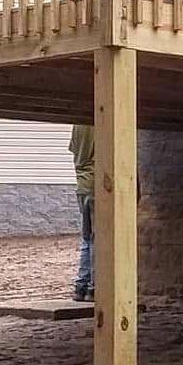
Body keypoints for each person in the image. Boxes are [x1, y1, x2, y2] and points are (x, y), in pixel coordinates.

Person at [70, 123, 96, 301]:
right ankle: (95, 287)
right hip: (99, 185)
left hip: (82, 186)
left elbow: (74, 149)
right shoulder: (105, 117)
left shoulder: (77, 125)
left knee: (87, 239)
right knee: (98, 239)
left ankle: (82, 286)